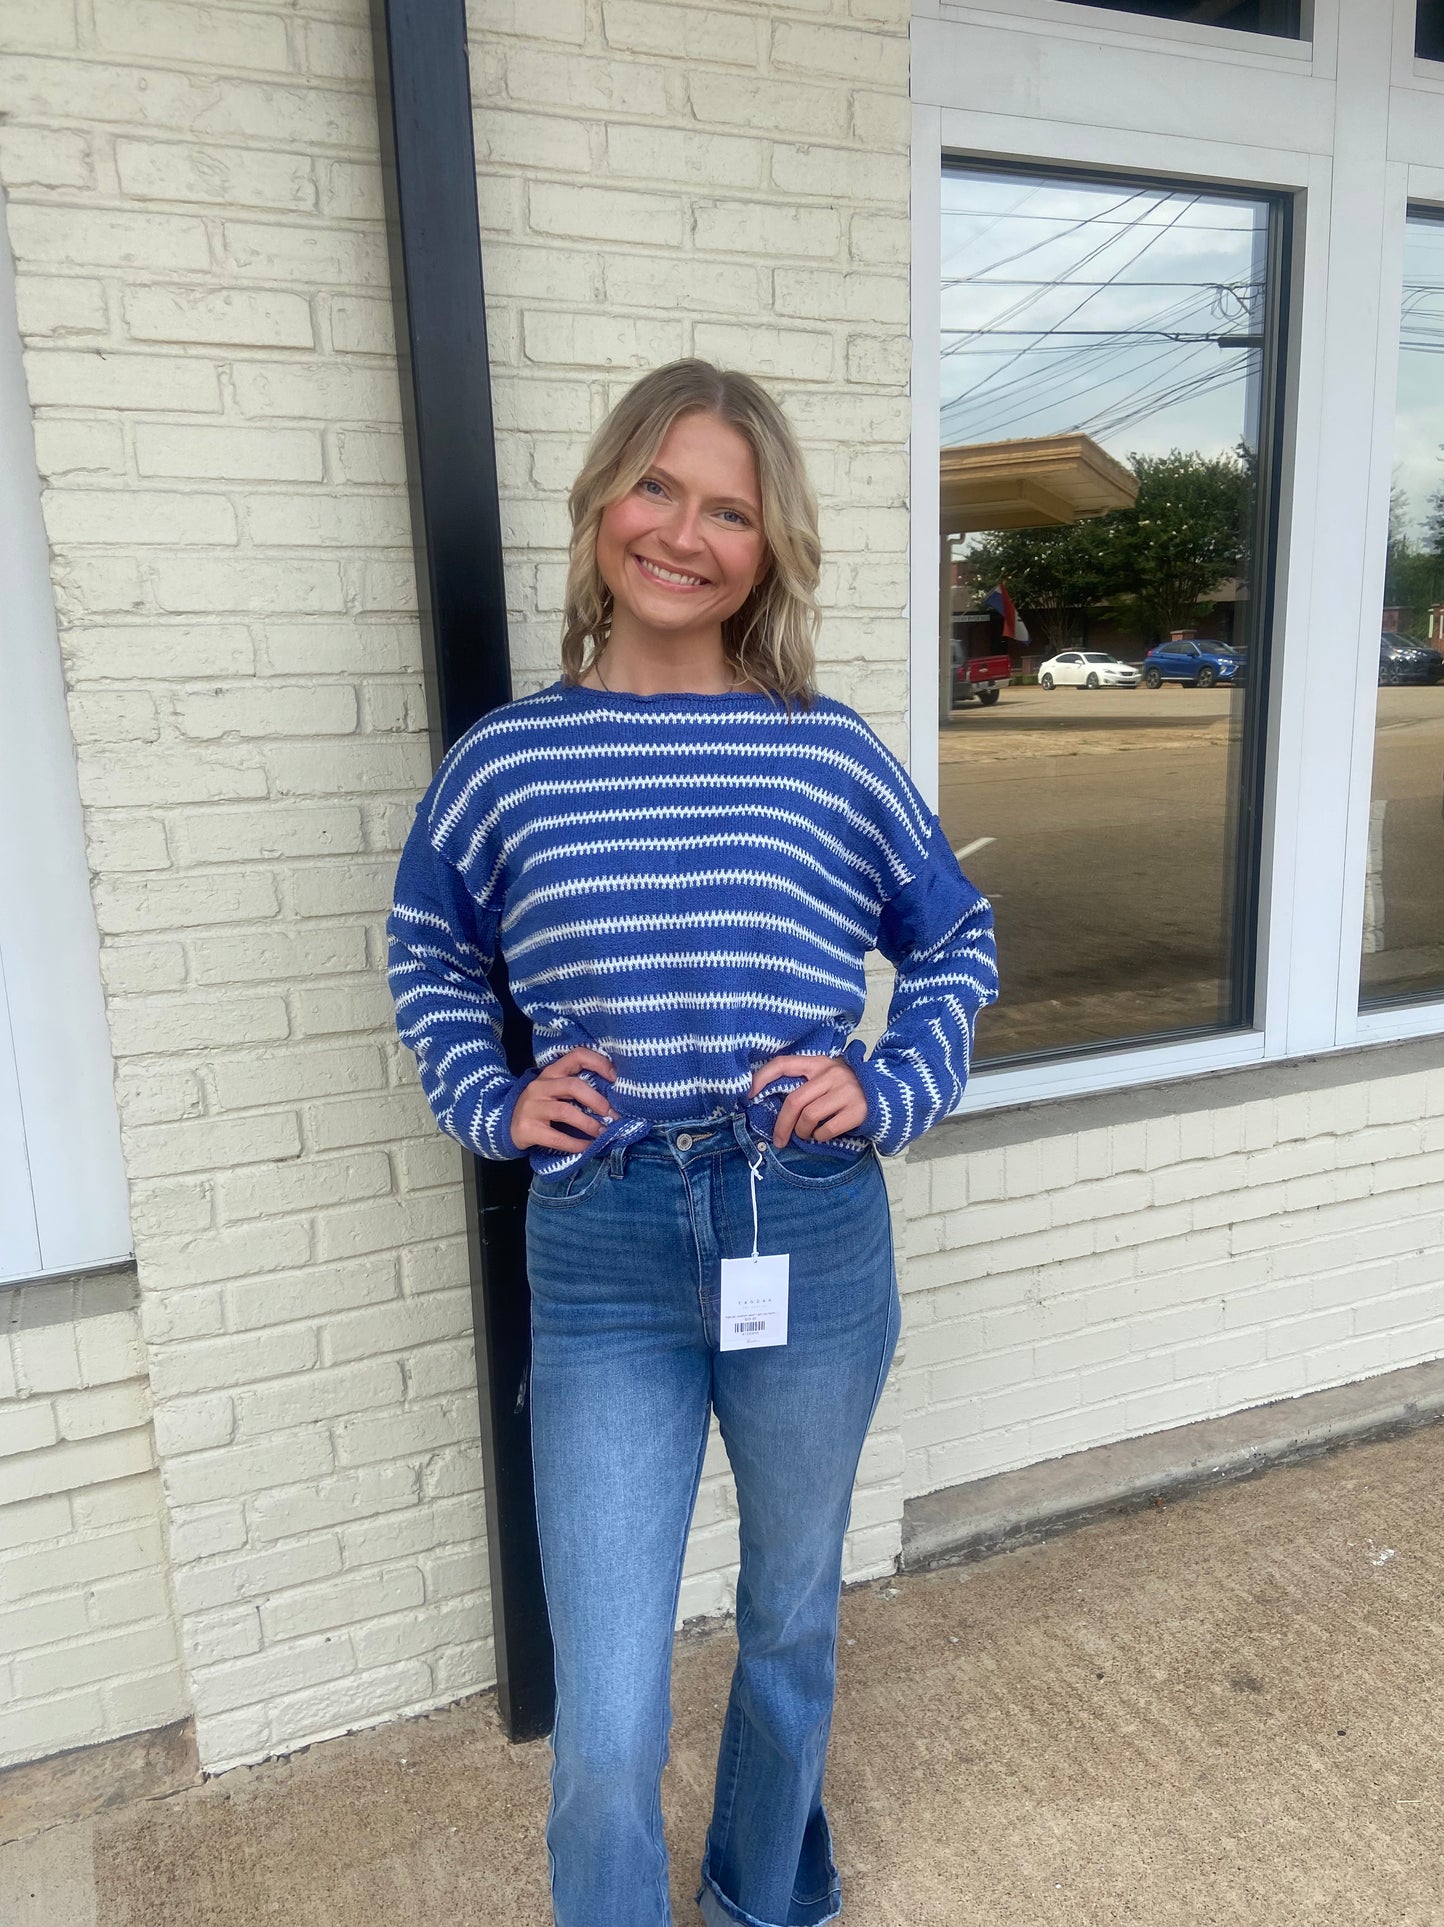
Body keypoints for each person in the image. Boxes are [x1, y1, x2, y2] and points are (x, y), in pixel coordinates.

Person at [387, 359, 998, 1927]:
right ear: (600, 503)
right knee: (604, 1712)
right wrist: (491, 1100)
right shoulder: (507, 761)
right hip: (600, 1248)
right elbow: (430, 951)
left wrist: (892, 1084)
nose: (684, 531)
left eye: (729, 508)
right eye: (657, 487)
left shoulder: (828, 750)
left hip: (801, 1222)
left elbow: (953, 936)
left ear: (768, 548)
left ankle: (761, 1894)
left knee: (789, 1616)